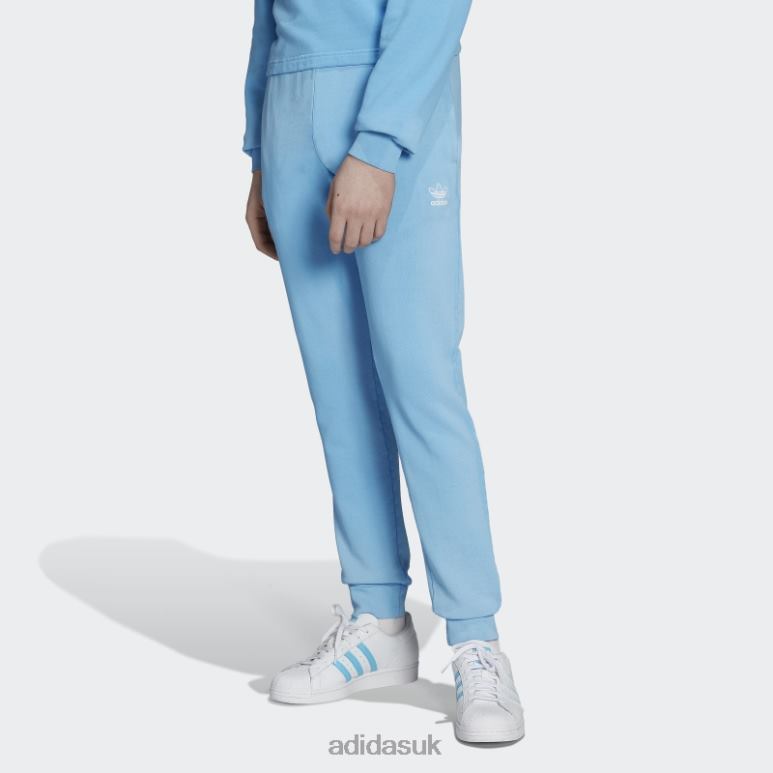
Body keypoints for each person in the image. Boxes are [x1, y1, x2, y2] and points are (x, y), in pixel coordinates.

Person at [243, 0, 524, 744]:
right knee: (340, 394)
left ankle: (475, 638)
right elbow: (267, 16)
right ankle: (378, 620)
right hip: (289, 113)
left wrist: (377, 144)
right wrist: (260, 153)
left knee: (421, 381)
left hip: (389, 108)